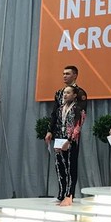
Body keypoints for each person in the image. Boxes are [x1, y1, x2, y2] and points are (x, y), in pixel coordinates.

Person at [45, 65, 87, 201]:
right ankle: (61, 191)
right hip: (59, 134)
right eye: (63, 73)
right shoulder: (59, 93)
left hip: (71, 136)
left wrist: (72, 137)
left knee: (70, 164)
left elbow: (80, 117)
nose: (64, 76)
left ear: (75, 75)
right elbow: (54, 113)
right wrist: (50, 130)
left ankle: (70, 193)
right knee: (59, 164)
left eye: (68, 73)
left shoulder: (80, 93)